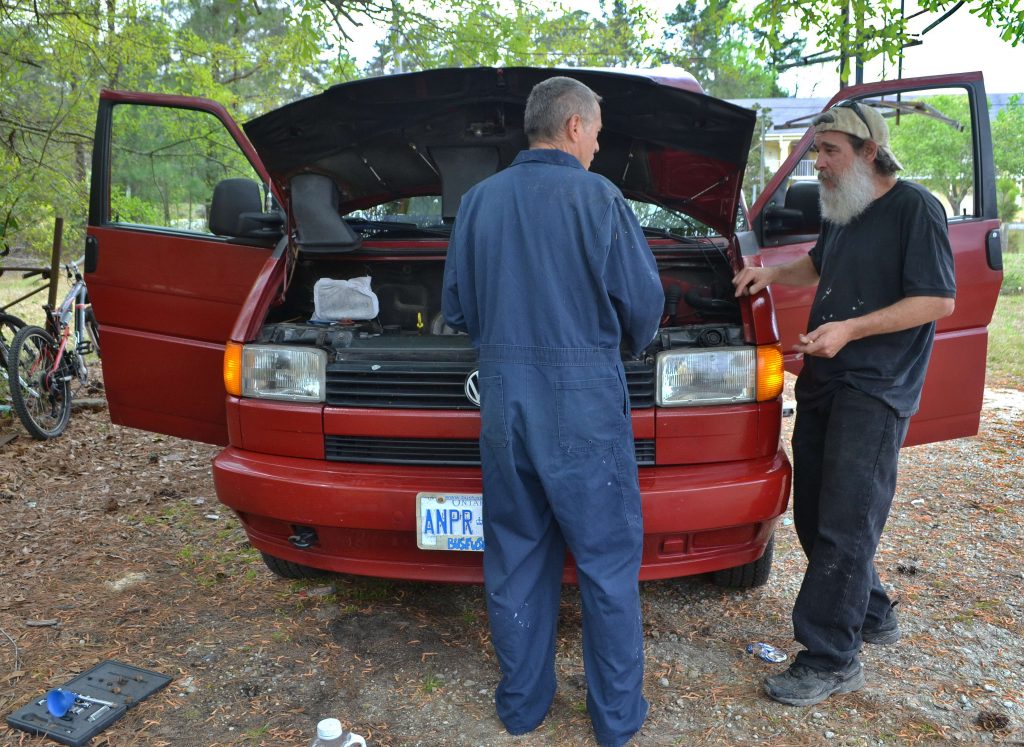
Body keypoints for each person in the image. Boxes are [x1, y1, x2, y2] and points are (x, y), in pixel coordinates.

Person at [442, 76, 664, 746]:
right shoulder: (600, 200)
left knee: (515, 556)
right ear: (573, 126)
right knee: (604, 562)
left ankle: (522, 707)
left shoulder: (479, 203)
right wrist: (614, 343)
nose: (598, 145)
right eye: (596, 131)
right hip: (584, 404)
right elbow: (644, 306)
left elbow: (457, 307)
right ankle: (617, 720)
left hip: (506, 402)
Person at [733, 101, 956, 707]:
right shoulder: (842, 205)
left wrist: (850, 330)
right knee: (815, 514)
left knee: (845, 521)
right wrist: (769, 274)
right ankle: (874, 610)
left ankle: (832, 657)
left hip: (877, 386)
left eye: (829, 151)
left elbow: (937, 300)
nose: (818, 162)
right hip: (829, 378)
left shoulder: (915, 208)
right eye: (817, 150)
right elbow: (818, 264)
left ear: (867, 152)